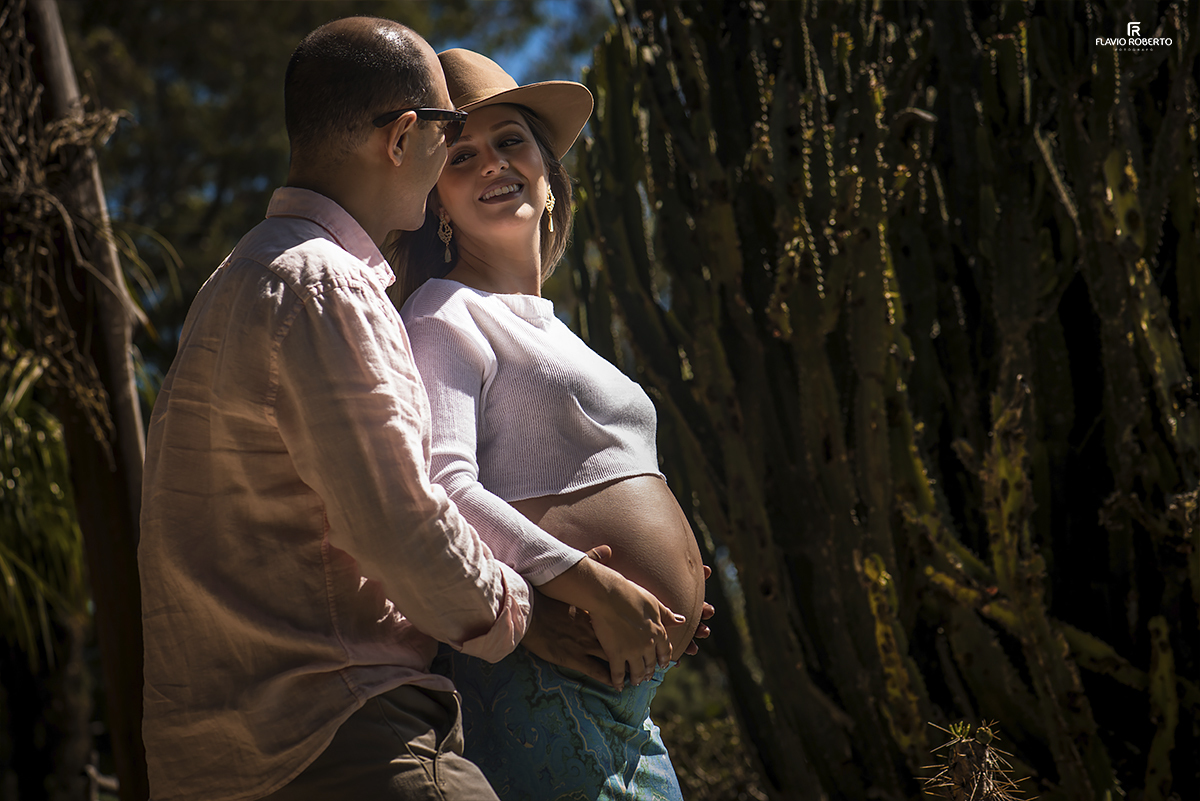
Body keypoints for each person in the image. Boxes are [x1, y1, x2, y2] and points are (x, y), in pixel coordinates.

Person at [137, 19, 678, 801]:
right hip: (336, 725)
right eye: (451, 135)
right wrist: (539, 611)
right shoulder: (327, 287)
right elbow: (406, 519)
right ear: (403, 138)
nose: (468, 153)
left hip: (259, 735)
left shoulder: (242, 277)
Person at [389, 48, 711, 801]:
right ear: (436, 199)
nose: (492, 163)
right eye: (461, 154)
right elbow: (441, 489)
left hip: (624, 692)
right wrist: (599, 587)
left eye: (510, 141)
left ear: (547, 169)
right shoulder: (443, 313)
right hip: (545, 682)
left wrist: (674, 598)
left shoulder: (556, 331)